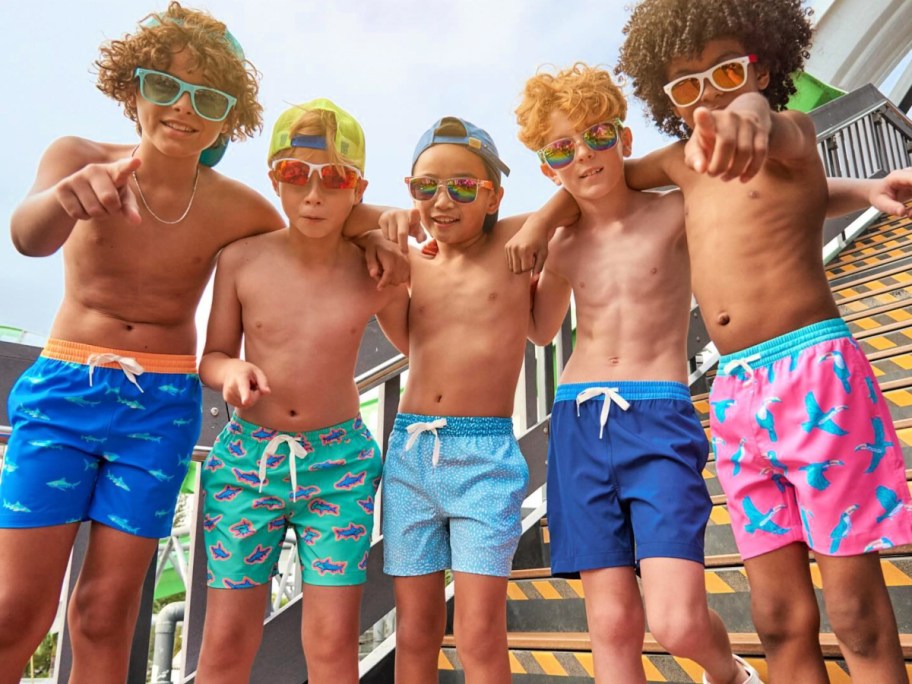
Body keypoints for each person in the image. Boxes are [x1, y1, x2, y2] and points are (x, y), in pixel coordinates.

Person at [608, 1, 912, 681]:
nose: (708, 94)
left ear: (764, 65)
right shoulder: (685, 164)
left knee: (857, 612)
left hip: (817, 377)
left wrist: (749, 113)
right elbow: (606, 179)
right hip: (736, 394)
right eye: (686, 85)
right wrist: (542, 225)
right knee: (776, 619)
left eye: (728, 71)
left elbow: (770, 139)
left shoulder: (789, 127)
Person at [0, 4, 288, 681]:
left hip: (160, 409)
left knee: (106, 611)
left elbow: (310, 246)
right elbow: (27, 237)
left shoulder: (238, 207)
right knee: (16, 607)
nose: (184, 108)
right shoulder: (77, 158)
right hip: (66, 389)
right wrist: (66, 199)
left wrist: (384, 227)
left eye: (208, 97)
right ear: (134, 88)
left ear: (228, 119)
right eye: (166, 85)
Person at [511, 61, 761, 684]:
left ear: (624, 139)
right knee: (612, 624)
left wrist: (545, 212)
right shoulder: (565, 245)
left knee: (675, 620)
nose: (585, 157)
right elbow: (541, 331)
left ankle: (727, 673)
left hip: (659, 415)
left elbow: (712, 174)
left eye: (599, 136)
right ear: (548, 167)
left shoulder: (675, 210)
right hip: (578, 421)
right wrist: (529, 258)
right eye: (562, 150)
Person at [193, 98, 408, 684]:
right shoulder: (241, 260)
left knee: (334, 640)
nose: (314, 195)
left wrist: (398, 257)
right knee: (226, 639)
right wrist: (229, 372)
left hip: (338, 462)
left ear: (356, 188)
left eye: (334, 180)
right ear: (275, 180)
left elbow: (421, 339)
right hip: (247, 459)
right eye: (296, 176)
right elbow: (210, 355)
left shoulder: (373, 270)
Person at [377, 116, 585, 684]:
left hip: (485, 458)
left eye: (464, 187)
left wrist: (546, 228)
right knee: (415, 630)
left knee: (478, 630)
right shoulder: (412, 263)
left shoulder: (518, 240)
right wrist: (384, 231)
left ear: (494, 195)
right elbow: (406, 338)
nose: (443, 201)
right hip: (411, 455)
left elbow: (543, 326)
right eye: (426, 188)